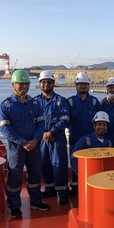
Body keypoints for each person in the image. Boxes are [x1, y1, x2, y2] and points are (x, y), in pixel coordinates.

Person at [0, 70, 50, 219]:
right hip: (16, 149)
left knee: (35, 174)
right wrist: (22, 142)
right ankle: (14, 207)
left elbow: (41, 123)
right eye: (21, 84)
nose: (24, 87)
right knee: (15, 178)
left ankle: (36, 201)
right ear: (13, 84)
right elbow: (4, 128)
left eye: (26, 84)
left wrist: (35, 140)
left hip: (33, 147)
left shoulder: (35, 104)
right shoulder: (5, 106)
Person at [35, 71, 70, 205]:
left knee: (60, 165)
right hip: (42, 139)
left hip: (57, 138)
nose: (46, 84)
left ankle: (62, 193)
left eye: (49, 82)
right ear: (40, 84)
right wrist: (43, 134)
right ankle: (49, 189)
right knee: (45, 164)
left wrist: (52, 132)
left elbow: (65, 119)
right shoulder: (35, 102)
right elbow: (33, 120)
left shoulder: (61, 101)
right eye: (44, 82)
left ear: (53, 84)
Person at [67, 71, 100, 195]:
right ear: (76, 85)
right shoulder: (70, 102)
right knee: (75, 162)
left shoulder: (95, 102)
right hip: (75, 139)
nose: (83, 86)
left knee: (92, 163)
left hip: (92, 140)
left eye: (85, 84)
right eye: (80, 84)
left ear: (89, 86)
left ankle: (92, 186)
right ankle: (76, 187)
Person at [71, 111, 113, 177]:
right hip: (88, 176)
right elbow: (74, 157)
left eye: (104, 125)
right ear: (94, 126)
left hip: (104, 177)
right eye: (99, 124)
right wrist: (80, 173)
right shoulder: (85, 140)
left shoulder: (108, 143)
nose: (102, 127)